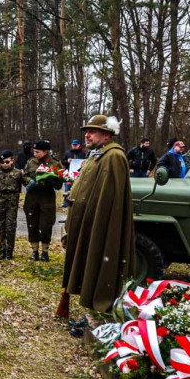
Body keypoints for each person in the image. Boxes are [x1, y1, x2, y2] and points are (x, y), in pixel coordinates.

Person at [61, 115, 134, 337]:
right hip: (88, 222)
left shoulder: (114, 157)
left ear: (107, 134)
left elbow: (110, 199)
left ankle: (100, 313)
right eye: (87, 131)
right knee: (87, 263)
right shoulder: (98, 155)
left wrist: (97, 221)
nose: (87, 134)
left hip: (100, 224)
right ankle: (92, 311)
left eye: (92, 131)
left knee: (100, 262)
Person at [22, 140, 63, 262]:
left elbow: (59, 183)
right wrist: (29, 181)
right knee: (32, 224)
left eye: (37, 152)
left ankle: (45, 251)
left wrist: (52, 180)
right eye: (34, 151)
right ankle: (34, 251)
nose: (34, 154)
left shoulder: (54, 164)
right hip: (32, 197)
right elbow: (24, 176)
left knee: (46, 225)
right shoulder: (31, 162)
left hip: (47, 198)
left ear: (45, 152)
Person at [0, 149, 23, 261]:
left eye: (7, 162)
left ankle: (10, 251)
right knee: (1, 226)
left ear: (12, 160)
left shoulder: (18, 173)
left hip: (12, 202)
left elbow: (19, 187)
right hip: (0, 201)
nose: (4, 165)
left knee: (10, 227)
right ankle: (2, 250)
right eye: (2, 162)